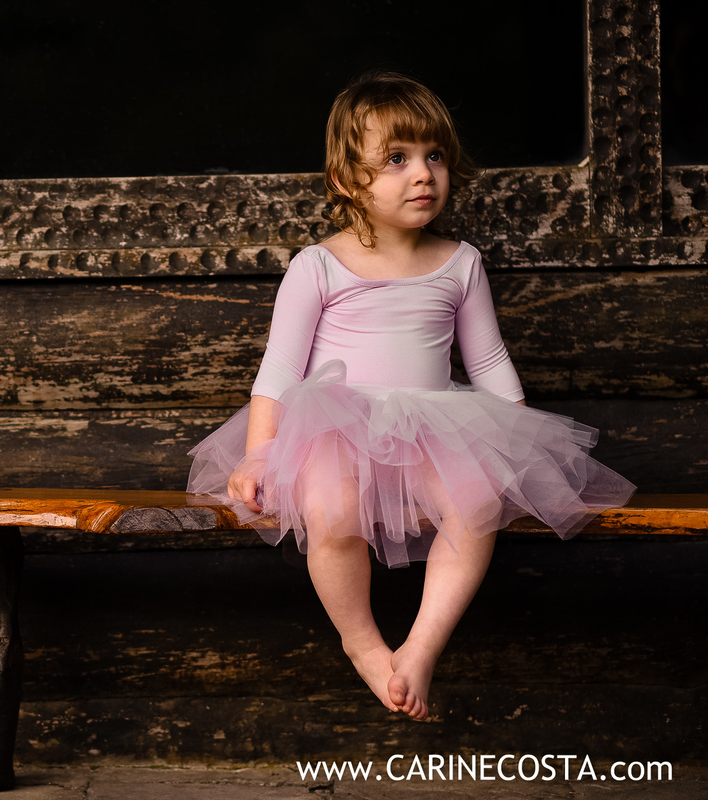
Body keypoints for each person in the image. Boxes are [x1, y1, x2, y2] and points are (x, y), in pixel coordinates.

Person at [186, 71, 635, 721]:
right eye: (396, 159)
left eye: (435, 155)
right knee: (331, 510)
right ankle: (363, 643)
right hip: (337, 430)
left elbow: (489, 362)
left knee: (477, 502)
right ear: (347, 180)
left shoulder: (460, 263)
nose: (423, 173)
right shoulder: (319, 265)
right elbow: (279, 369)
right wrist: (258, 454)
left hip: (433, 428)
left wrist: (519, 444)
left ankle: (423, 644)